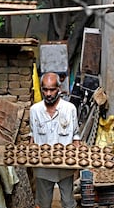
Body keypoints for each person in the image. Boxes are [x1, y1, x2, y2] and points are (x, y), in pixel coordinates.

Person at [29, 72, 80, 208]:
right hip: (43, 168)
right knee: (43, 203)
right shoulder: (35, 110)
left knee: (69, 203)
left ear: (59, 88)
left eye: (52, 89)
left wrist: (78, 160)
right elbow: (32, 137)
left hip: (65, 166)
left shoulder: (70, 109)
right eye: (45, 89)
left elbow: (76, 136)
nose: (48, 93)